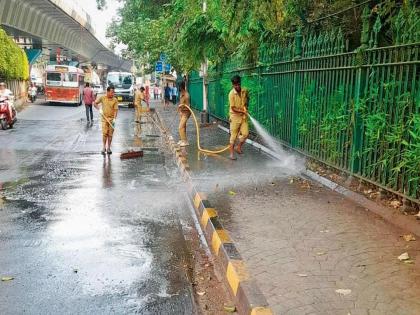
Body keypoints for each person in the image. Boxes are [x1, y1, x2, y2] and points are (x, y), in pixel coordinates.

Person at [228, 75, 249, 160]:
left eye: (238, 84)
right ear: (233, 85)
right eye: (235, 85)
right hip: (234, 116)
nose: (237, 86)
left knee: (245, 134)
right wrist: (243, 111)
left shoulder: (244, 91)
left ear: (240, 83)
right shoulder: (231, 94)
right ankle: (231, 154)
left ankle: (238, 147)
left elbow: (247, 99)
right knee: (233, 136)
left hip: (243, 116)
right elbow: (233, 108)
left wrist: (246, 107)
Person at [94, 86, 119, 155]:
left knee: (110, 135)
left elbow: (116, 110)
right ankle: (104, 147)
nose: (113, 94)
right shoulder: (102, 98)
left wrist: (114, 119)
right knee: (105, 134)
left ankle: (108, 148)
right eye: (111, 92)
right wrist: (99, 109)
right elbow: (95, 103)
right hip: (104, 119)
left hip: (111, 119)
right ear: (107, 92)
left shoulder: (115, 100)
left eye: (113, 92)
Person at [177, 81, 191, 146]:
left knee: (180, 127)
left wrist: (181, 106)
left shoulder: (186, 95)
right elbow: (181, 103)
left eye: (179, 87)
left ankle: (185, 142)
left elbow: (188, 106)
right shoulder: (181, 93)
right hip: (182, 112)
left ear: (181, 87)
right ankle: (183, 139)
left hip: (186, 113)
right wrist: (180, 110)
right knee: (183, 127)